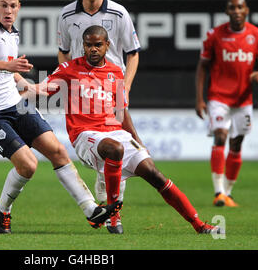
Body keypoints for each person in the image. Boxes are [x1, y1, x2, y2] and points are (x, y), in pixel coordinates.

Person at [0, 0, 121, 234]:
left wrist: (25, 84)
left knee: (57, 151)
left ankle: (91, 210)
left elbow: (10, 70)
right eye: (3, 5)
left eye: (13, 6)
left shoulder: (12, 32)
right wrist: (8, 67)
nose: (8, 10)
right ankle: (2, 209)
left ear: (19, 8)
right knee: (28, 165)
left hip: (15, 103)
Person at [45, 25, 221, 235]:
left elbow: (122, 112)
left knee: (154, 174)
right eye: (89, 45)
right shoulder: (69, 69)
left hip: (116, 132)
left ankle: (199, 225)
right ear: (83, 46)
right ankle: (113, 216)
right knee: (115, 149)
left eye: (98, 45)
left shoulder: (115, 71)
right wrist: (20, 83)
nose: (93, 49)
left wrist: (137, 139)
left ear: (107, 45)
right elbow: (42, 89)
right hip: (85, 135)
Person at [57, 0, 140, 233]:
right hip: (83, 90)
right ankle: (109, 207)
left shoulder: (119, 13)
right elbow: (63, 52)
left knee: (117, 145)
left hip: (112, 88)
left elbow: (133, 52)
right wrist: (66, 81)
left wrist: (125, 86)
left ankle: (114, 214)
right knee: (102, 147)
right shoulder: (67, 14)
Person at [195, 0, 258, 207]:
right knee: (220, 136)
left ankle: (227, 193)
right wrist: (200, 99)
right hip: (219, 96)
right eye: (232, 8)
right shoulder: (215, 35)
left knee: (236, 144)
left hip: (243, 99)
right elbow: (202, 67)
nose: (236, 11)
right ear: (227, 12)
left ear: (246, 10)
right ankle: (218, 191)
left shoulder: (257, 35)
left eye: (240, 7)